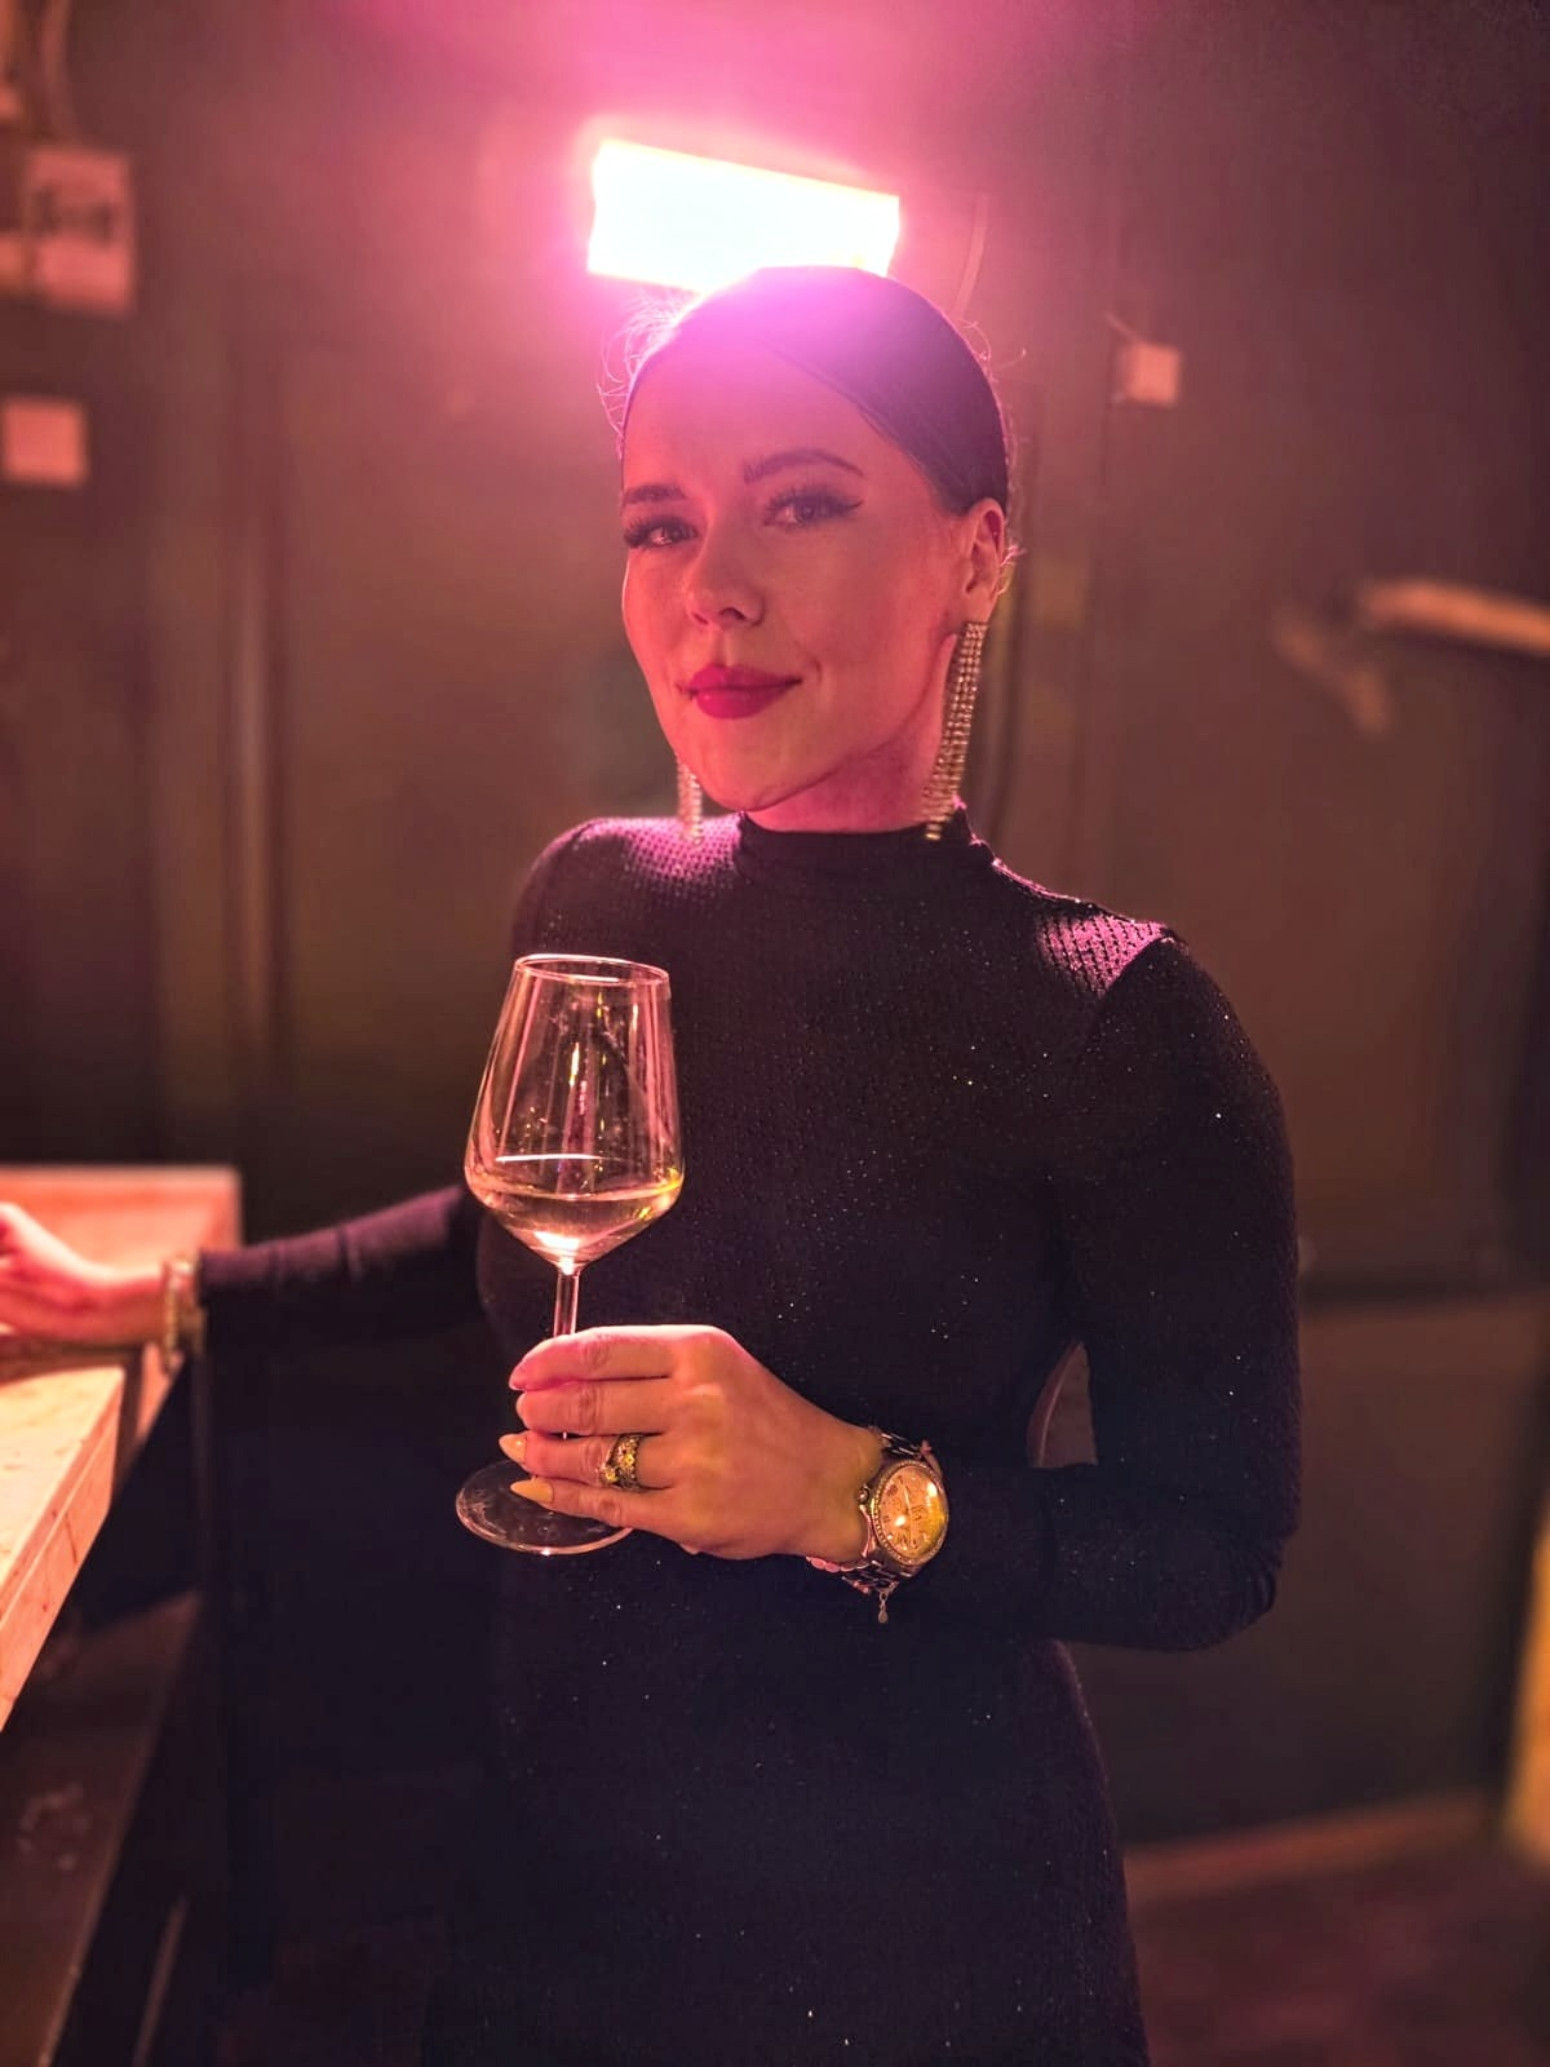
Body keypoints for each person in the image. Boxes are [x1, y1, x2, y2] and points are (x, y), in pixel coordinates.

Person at [0, 266, 1300, 2065]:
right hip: (554, 1857)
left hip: (912, 1928)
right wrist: (153, 1298)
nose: (712, 588)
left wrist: (848, 1491)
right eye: (660, 524)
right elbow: (506, 1220)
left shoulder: (1115, 1017)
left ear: (977, 553)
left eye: (802, 503)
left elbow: (1215, 1549)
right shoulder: (599, 895)